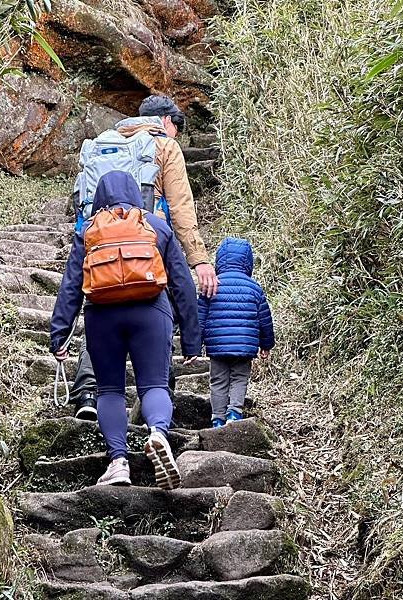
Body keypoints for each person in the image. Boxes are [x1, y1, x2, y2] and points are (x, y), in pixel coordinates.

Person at [50, 171, 201, 488]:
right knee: (154, 385)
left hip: (102, 315)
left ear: (100, 196)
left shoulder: (89, 231)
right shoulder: (156, 226)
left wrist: (60, 335)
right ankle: (158, 433)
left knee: (109, 391)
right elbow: (183, 284)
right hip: (151, 311)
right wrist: (190, 338)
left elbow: (70, 288)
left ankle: (119, 462)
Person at [70, 95, 217, 419]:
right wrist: (199, 259)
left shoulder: (105, 144)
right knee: (156, 310)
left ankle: (87, 391)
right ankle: (159, 396)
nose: (175, 133)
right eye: (175, 126)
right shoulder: (164, 147)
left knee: (100, 302)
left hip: (102, 243)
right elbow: (180, 207)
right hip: (149, 243)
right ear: (165, 121)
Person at [198, 237, 275, 428]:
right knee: (239, 379)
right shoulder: (254, 288)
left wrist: (193, 345)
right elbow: (265, 319)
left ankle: (217, 418)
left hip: (217, 346)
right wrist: (266, 344)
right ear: (248, 262)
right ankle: (234, 413)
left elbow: (199, 318)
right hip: (244, 346)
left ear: (219, 261)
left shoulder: (211, 285)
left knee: (217, 380)